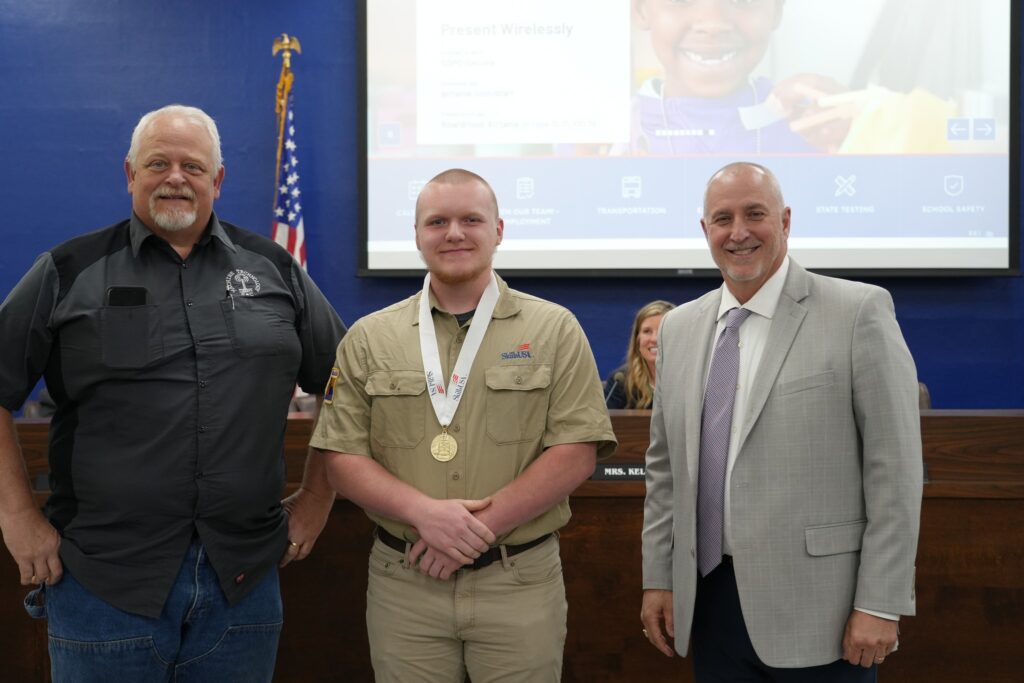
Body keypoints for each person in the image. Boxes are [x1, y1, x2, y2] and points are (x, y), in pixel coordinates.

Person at [0, 104, 346, 682]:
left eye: (192, 164)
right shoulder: (69, 270)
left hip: (243, 580)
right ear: (130, 174)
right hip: (102, 584)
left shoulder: (274, 269)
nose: (175, 177)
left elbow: (347, 386)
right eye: (158, 163)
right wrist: (15, 514)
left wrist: (317, 498)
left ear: (218, 179)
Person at [310, 168, 616, 683]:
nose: (454, 233)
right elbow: (341, 458)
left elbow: (576, 450)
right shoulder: (368, 338)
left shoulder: (554, 329)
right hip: (406, 582)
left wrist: (475, 529)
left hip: (517, 580)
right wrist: (425, 515)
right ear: (417, 234)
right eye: (437, 221)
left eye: (471, 219)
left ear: (498, 230)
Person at [640, 162, 922, 681]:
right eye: (722, 218)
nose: (739, 231)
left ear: (786, 220)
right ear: (705, 231)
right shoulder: (679, 328)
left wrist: (881, 602)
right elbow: (664, 472)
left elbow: (896, 472)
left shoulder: (858, 311)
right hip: (709, 603)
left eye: (755, 214)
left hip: (825, 611)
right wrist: (659, 577)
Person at [604, 300, 675, 409]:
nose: (654, 339)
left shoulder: (694, 380)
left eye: (663, 330)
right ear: (637, 339)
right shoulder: (620, 381)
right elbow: (606, 423)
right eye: (647, 331)